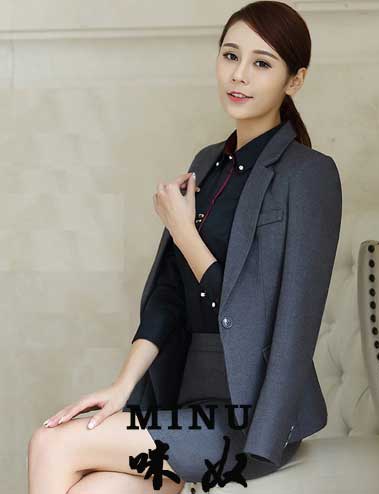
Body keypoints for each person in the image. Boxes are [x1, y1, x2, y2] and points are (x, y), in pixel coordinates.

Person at [28, 2, 342, 493]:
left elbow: (270, 316)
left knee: (52, 444)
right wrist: (122, 387)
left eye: (261, 63)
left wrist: (184, 232)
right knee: (94, 488)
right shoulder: (206, 163)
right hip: (185, 401)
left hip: (250, 417)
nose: (239, 75)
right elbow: (170, 296)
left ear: (294, 80)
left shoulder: (309, 175)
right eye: (230, 55)